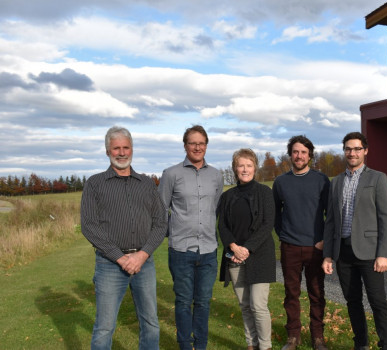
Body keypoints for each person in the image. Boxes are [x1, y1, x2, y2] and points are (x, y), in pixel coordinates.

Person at [81, 126, 167, 350]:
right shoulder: (95, 184)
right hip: (109, 265)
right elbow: (89, 226)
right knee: (105, 327)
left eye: (125, 147)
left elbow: (160, 222)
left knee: (151, 323)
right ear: (107, 151)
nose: (121, 153)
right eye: (116, 148)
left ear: (132, 149)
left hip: (144, 264)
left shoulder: (147, 184)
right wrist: (120, 258)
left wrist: (142, 254)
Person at [321, 132, 387, 350]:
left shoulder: (377, 178)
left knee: (378, 302)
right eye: (348, 149)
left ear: (365, 150)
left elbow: (386, 217)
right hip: (343, 253)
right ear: (344, 151)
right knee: (353, 302)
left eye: (356, 149)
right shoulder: (335, 182)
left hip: (370, 253)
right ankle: (360, 344)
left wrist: (384, 253)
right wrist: (327, 254)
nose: (352, 153)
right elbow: (330, 221)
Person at [158, 125, 224, 350]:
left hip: (208, 250)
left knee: (203, 302)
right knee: (184, 302)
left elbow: (215, 208)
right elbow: (160, 211)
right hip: (181, 251)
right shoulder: (171, 174)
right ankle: (185, 345)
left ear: (206, 145)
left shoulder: (216, 175)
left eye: (201, 143)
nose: (197, 147)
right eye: (193, 143)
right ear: (185, 145)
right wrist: (174, 231)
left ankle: (201, 345)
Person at [273, 135, 330, 350]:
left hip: (316, 247)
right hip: (290, 247)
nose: (299, 156)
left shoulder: (321, 180)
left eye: (303, 152)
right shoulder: (280, 182)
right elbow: (275, 213)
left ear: (310, 155)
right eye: (295, 152)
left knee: (317, 294)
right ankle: (293, 337)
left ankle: (317, 337)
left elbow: (330, 214)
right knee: (291, 294)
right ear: (290, 155)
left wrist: (324, 240)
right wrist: (283, 235)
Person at [217, 148, 276, 350]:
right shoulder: (228, 196)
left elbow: (268, 224)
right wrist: (233, 247)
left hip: (259, 255)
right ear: (234, 168)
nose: (244, 169)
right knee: (244, 305)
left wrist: (247, 249)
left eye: (248, 165)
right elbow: (222, 226)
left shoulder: (265, 193)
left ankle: (265, 346)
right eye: (240, 165)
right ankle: (251, 344)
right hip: (234, 256)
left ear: (255, 168)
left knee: (258, 306)